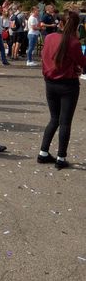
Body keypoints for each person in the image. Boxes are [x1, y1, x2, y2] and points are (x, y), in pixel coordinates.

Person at [38, 11, 86, 170]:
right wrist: (76, 68)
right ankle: (61, 157)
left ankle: (43, 152)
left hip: (50, 82)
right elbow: (82, 62)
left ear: (60, 23)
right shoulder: (74, 43)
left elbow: (45, 58)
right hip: (68, 85)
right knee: (65, 122)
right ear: (76, 26)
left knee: (54, 119)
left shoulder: (49, 38)